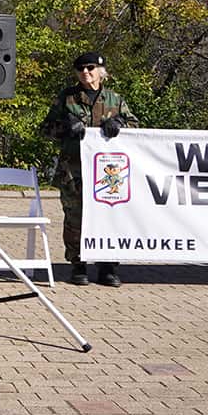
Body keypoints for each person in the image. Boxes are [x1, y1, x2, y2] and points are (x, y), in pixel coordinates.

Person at [40, 51, 135, 287]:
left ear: (100, 71)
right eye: (80, 69)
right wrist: (64, 126)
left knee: (110, 217)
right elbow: (46, 128)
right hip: (74, 171)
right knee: (75, 218)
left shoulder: (115, 100)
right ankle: (78, 265)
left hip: (108, 173)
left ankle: (108, 268)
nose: (85, 73)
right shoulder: (67, 98)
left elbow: (135, 126)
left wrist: (119, 124)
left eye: (90, 68)